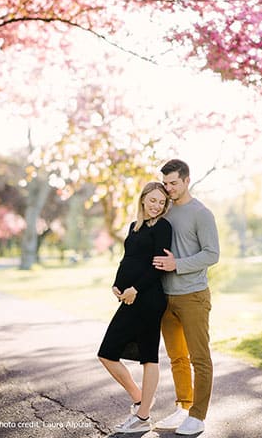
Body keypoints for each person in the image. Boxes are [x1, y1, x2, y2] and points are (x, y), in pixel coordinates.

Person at [98, 181, 172, 433]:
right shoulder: (134, 226)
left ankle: (142, 413)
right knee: (107, 354)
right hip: (131, 298)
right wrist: (117, 285)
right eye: (153, 200)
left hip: (149, 299)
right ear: (142, 199)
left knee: (144, 356)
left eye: (161, 202)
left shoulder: (163, 226)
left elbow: (157, 265)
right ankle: (142, 403)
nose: (157, 206)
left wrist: (136, 289)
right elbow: (128, 258)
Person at [152, 159, 220, 435]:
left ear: (187, 180)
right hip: (166, 298)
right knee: (177, 357)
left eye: (174, 183)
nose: (169, 189)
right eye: (166, 184)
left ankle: (198, 416)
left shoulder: (201, 213)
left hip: (193, 296)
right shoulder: (164, 212)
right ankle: (183, 407)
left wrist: (177, 264)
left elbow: (212, 254)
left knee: (199, 358)